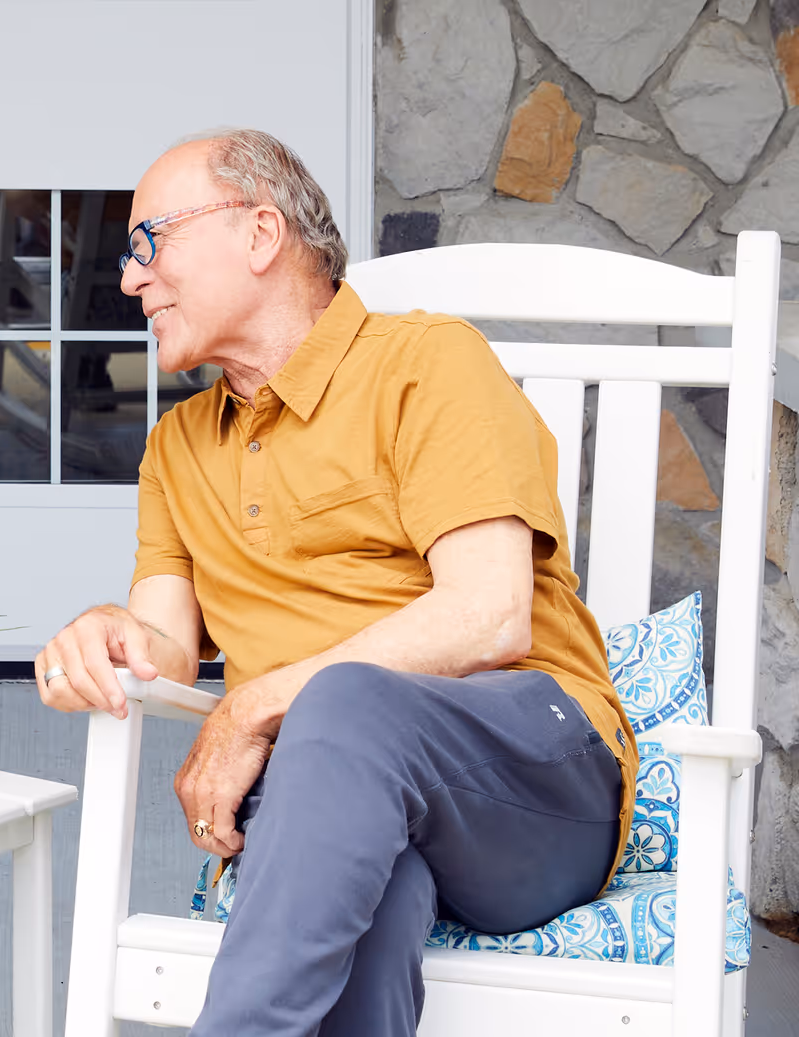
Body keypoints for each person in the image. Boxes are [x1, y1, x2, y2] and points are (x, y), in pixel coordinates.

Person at [35, 129, 637, 1036]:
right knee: (371, 893)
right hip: (348, 807)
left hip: (534, 790)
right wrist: (103, 629)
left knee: (347, 702)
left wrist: (254, 707)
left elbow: (489, 613)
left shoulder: (427, 364)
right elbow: (163, 647)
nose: (129, 278)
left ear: (260, 234)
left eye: (149, 242)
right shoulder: (178, 449)